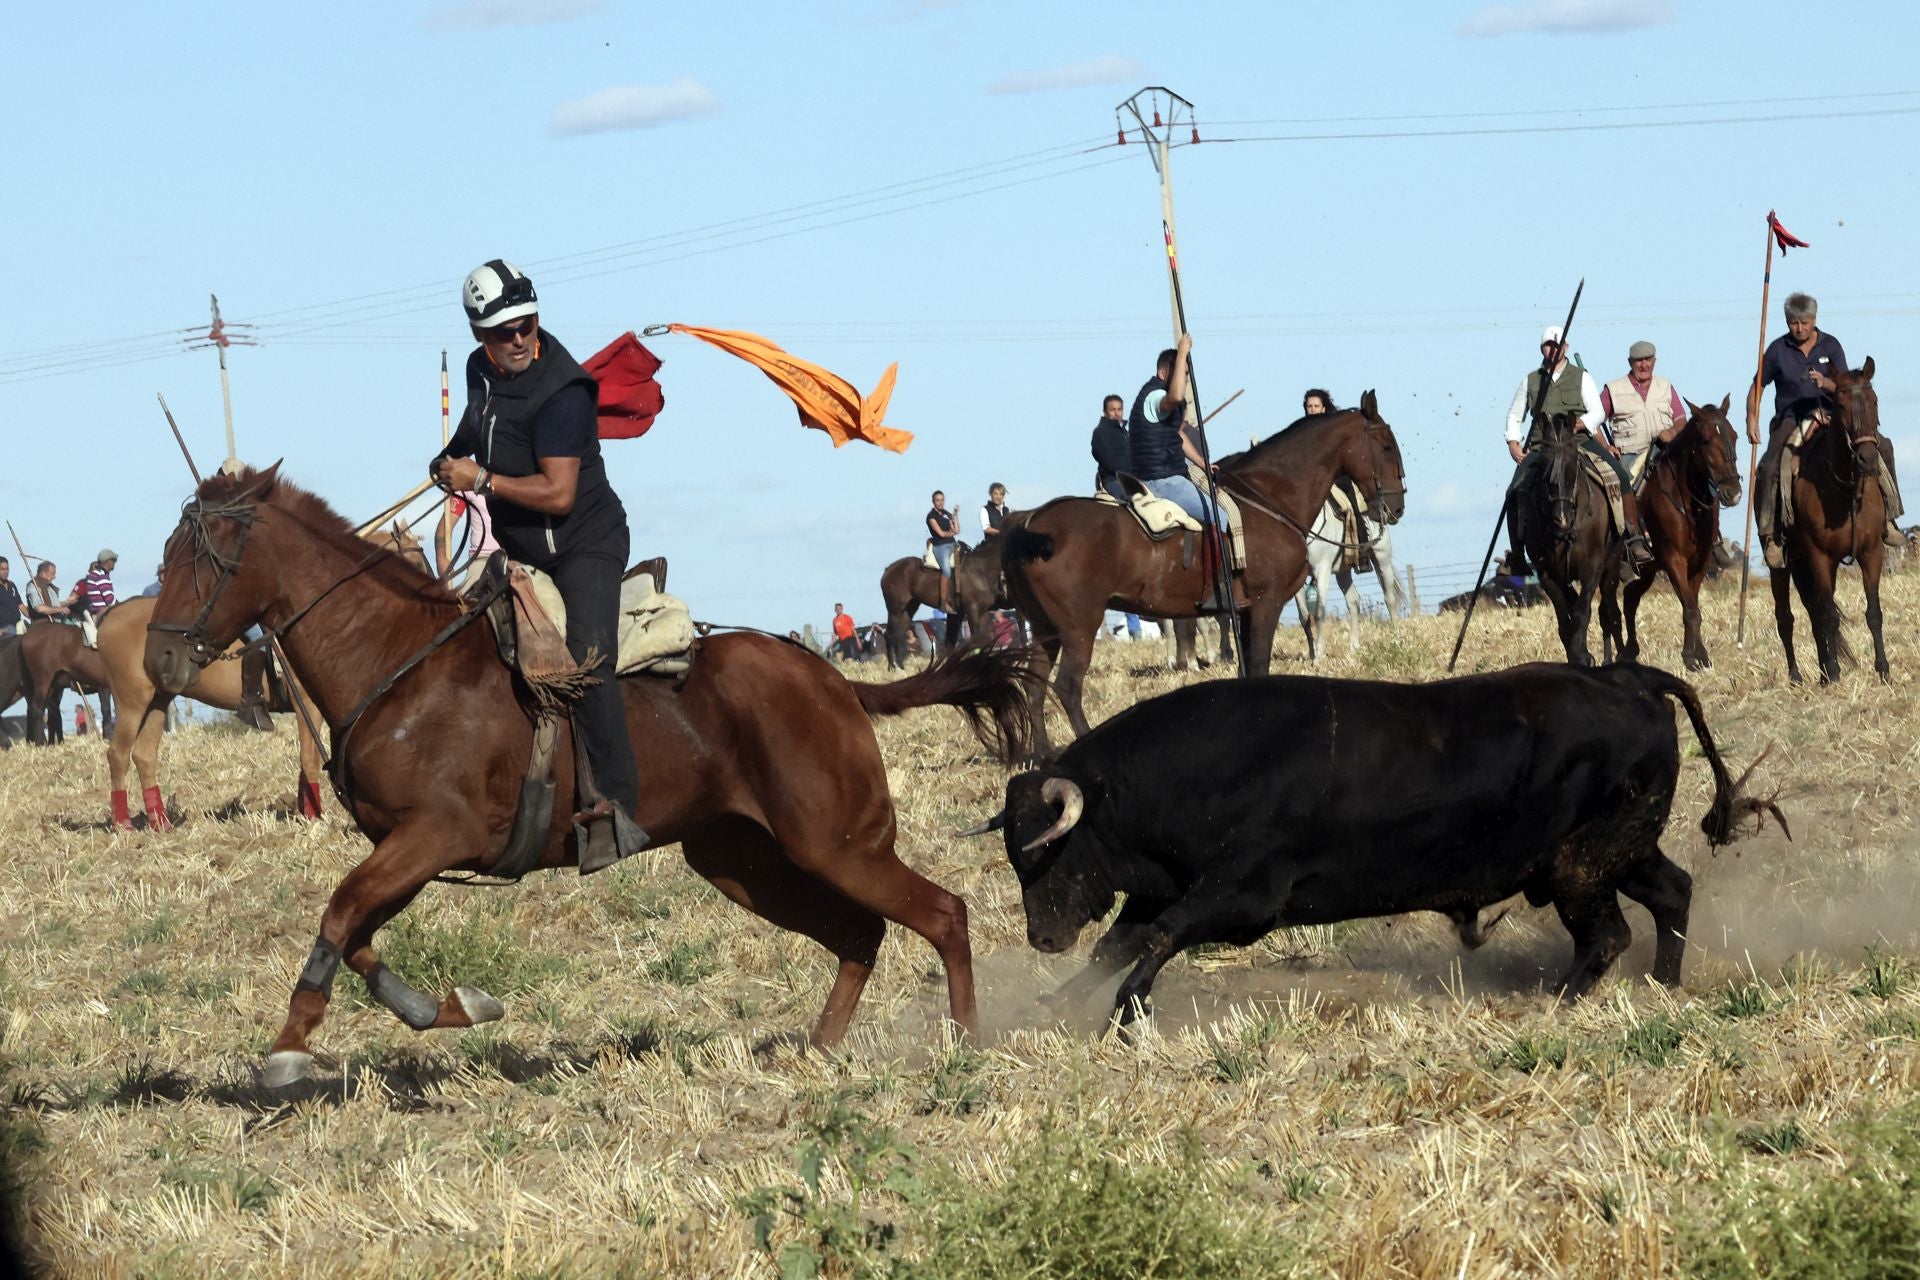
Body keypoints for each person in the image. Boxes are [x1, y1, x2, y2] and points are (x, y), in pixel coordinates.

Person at [431, 258, 644, 873]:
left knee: (588, 659)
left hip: (586, 544)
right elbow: (477, 425)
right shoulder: (479, 370)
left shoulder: (564, 391)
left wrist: (480, 480)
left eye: (526, 324)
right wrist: (450, 459)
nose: (520, 338)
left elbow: (558, 495)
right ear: (480, 338)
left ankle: (616, 809)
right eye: (504, 331)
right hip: (522, 549)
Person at [1746, 292, 1902, 564]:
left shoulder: (1830, 346)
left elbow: (1847, 385)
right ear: (1787, 322)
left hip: (1832, 413)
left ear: (1814, 320)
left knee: (1883, 445)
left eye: (1804, 322)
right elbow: (1757, 385)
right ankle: (1772, 535)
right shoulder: (1776, 350)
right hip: (1791, 417)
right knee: (1771, 466)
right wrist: (1751, 418)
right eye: (1794, 322)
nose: (1799, 328)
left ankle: (1889, 517)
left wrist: (1827, 384)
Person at [1504, 325, 1652, 570]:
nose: (1553, 349)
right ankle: (1518, 555)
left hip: (1580, 443)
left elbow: (1598, 411)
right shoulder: (1530, 381)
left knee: (1621, 476)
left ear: (1566, 347)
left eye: (1558, 344)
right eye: (1548, 345)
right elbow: (1514, 415)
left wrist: (1582, 423)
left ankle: (1632, 538)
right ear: (1542, 348)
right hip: (1543, 448)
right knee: (1515, 489)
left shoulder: (1581, 377)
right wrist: (1513, 443)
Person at [1129, 334, 1237, 610]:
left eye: (1187, 374)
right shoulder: (1155, 397)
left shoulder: (1165, 405)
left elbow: (1177, 434)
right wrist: (1183, 351)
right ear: (1163, 372)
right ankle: (1215, 590)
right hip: (1162, 479)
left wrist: (1202, 463)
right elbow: (1175, 395)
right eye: (1183, 373)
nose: (1186, 379)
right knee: (1220, 516)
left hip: (1168, 472)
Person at [1599, 342, 1687, 486]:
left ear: (1655, 361)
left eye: (1648, 359)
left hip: (1664, 453)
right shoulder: (1613, 389)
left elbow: (1681, 420)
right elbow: (1592, 422)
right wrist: (1606, 447)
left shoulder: (1665, 386)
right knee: (1624, 490)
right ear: (1630, 362)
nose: (1644, 365)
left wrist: (1672, 431)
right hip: (1630, 456)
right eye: (1639, 360)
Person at [1091, 394, 1131, 500]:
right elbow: (1108, 460)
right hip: (1112, 480)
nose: (1117, 413)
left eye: (1119, 409)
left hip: (1131, 480)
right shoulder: (1101, 432)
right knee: (1134, 499)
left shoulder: (1126, 434)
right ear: (1105, 412)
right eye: (1113, 409)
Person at [75, 550, 117, 648]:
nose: (114, 564)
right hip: (102, 613)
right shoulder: (101, 576)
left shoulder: (93, 575)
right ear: (109, 562)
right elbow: (110, 600)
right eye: (114, 561)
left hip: (94, 611)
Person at [925, 490, 958, 610]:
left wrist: (955, 516)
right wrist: (951, 532)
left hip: (953, 543)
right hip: (940, 546)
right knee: (947, 571)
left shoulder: (946, 514)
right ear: (933, 502)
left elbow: (957, 530)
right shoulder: (931, 516)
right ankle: (943, 602)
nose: (940, 503)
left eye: (942, 500)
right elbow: (941, 534)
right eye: (938, 500)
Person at [0, 558, 22, 635]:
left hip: (19, 624)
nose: (5, 572)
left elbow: (21, 605)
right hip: (4, 626)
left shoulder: (11, 585)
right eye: (2, 569)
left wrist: (33, 616)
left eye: (7, 569)